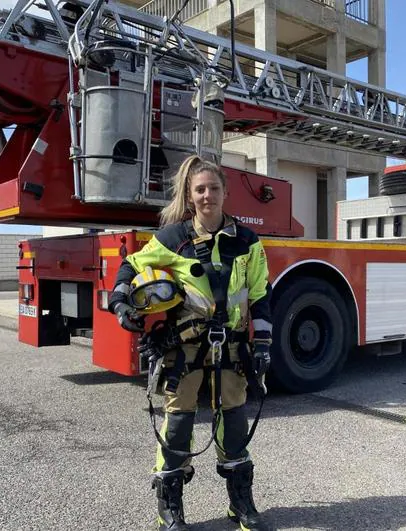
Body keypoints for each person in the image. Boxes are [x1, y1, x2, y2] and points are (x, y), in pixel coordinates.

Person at [108, 154, 273, 531]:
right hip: (183, 350)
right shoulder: (172, 239)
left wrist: (262, 345)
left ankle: (241, 506)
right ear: (190, 194)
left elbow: (261, 295)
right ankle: (170, 509)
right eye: (200, 189)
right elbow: (131, 265)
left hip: (231, 350)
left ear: (225, 193)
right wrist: (119, 301)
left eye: (214, 188)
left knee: (233, 425)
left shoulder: (248, 242)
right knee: (178, 426)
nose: (207, 195)